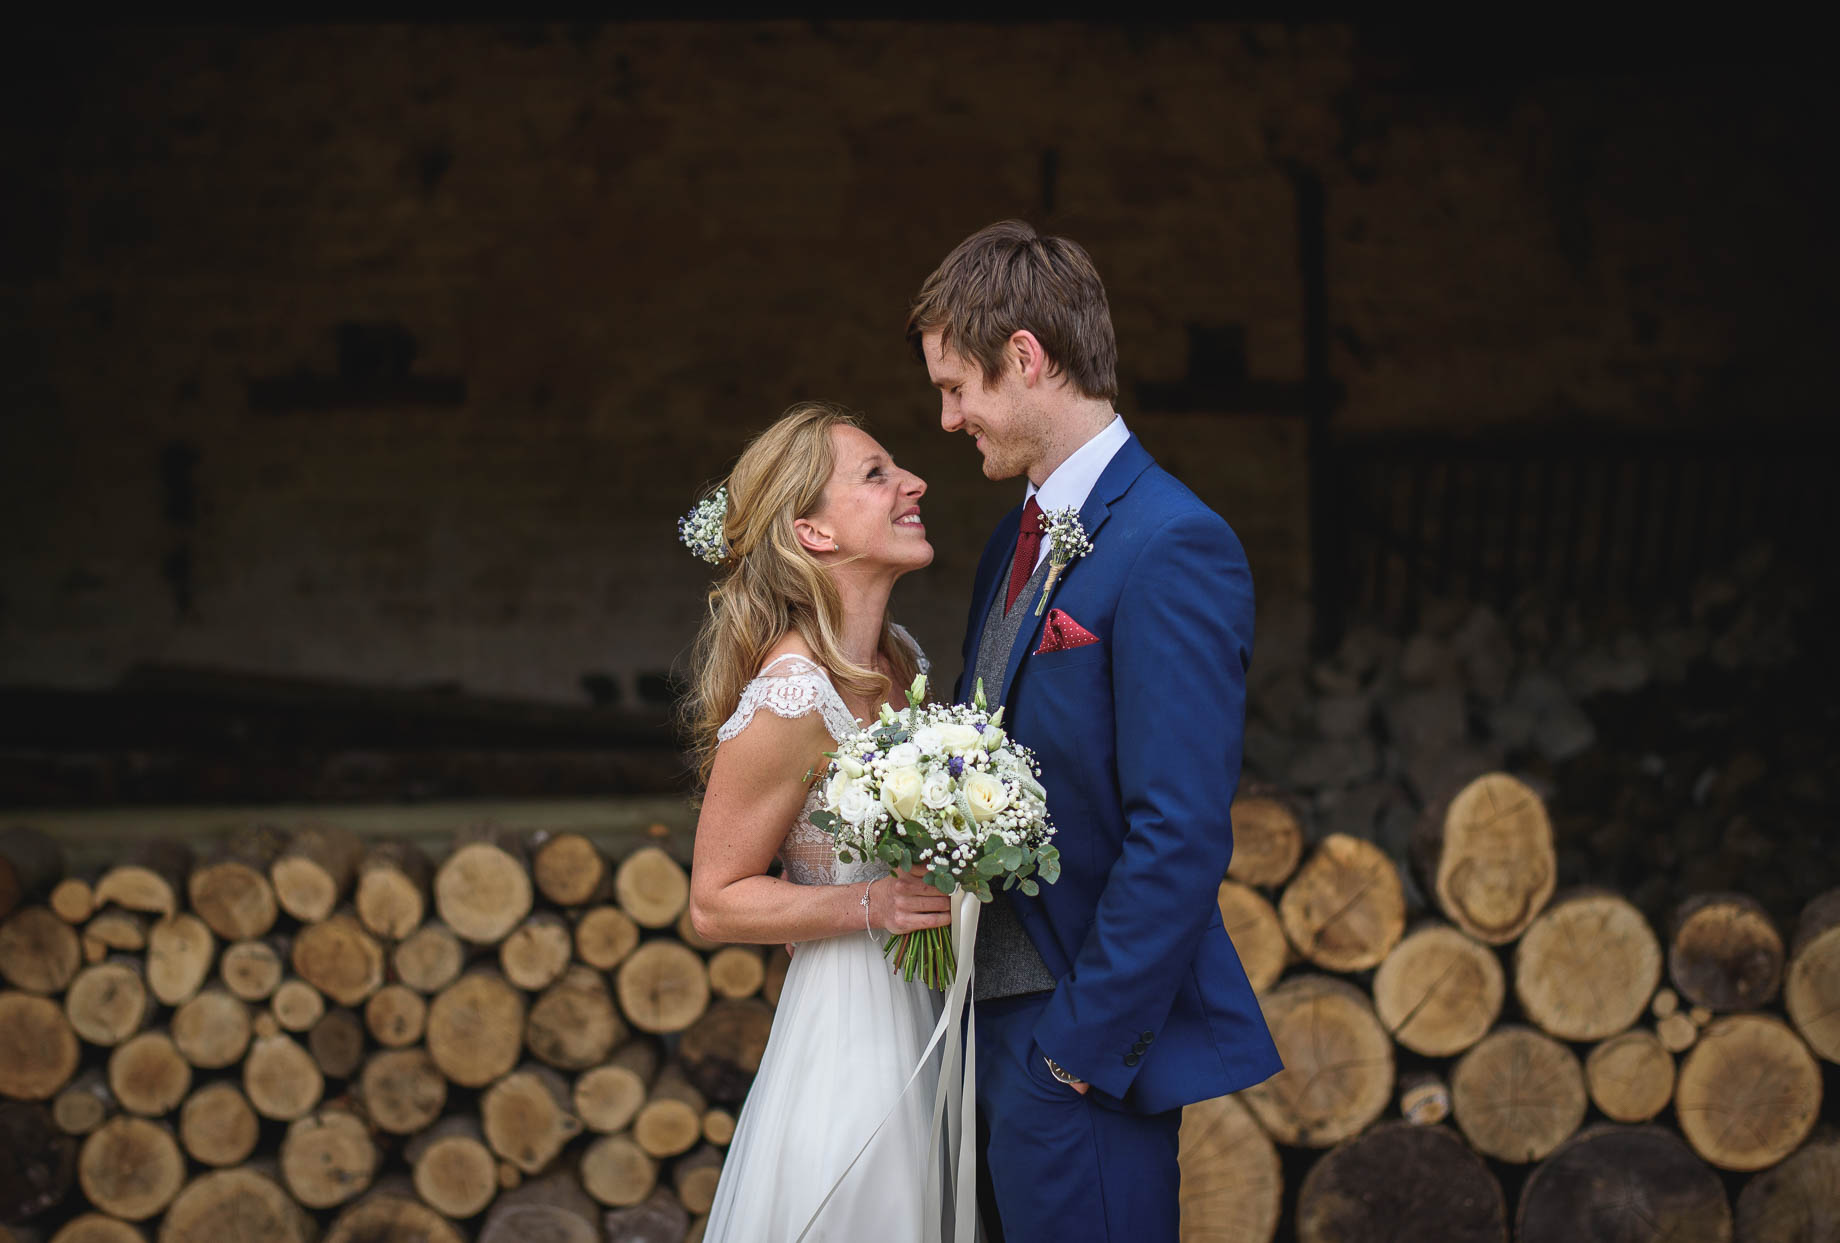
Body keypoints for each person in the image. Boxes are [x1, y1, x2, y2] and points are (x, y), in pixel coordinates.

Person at [906, 220, 1283, 1242]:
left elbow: (1181, 832)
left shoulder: (1173, 543)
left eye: (957, 387)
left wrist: (1068, 1058)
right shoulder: (1009, 541)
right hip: (981, 1033)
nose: (946, 419)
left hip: (1077, 1052)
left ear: (1025, 357)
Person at [684, 401, 966, 1241]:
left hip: (930, 1004)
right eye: (876, 474)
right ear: (812, 533)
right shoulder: (793, 692)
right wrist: (872, 905)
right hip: (849, 1031)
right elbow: (715, 899)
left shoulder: (900, 658)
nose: (913, 481)